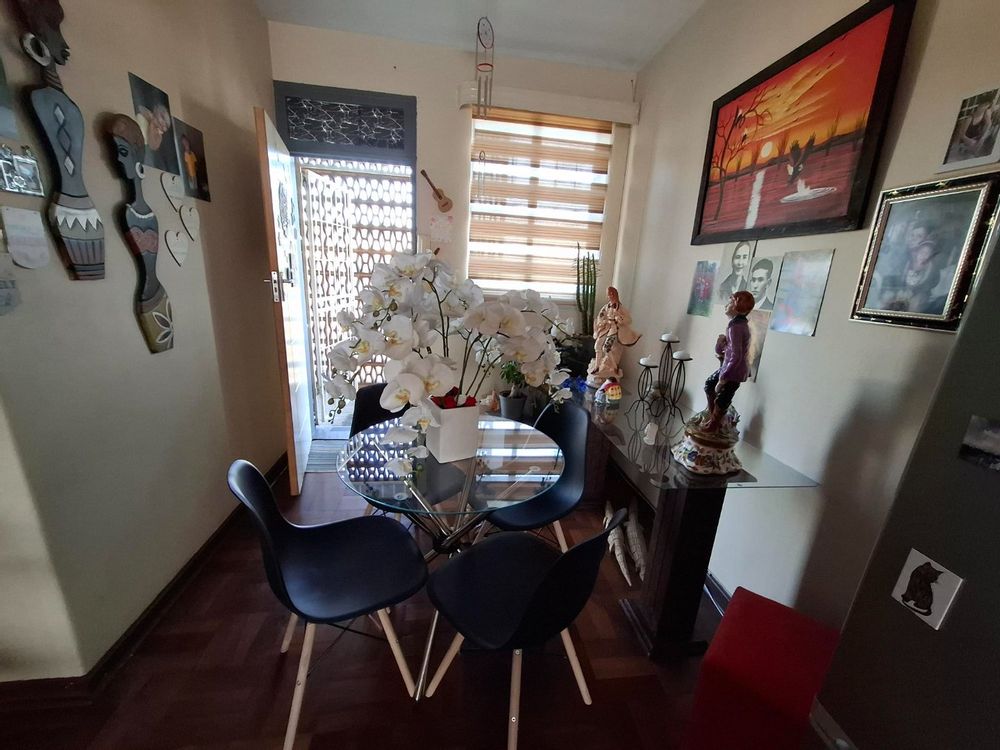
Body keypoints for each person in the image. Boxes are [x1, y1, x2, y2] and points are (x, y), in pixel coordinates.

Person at [703, 291, 754, 432]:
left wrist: (723, 377)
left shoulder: (736, 327)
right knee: (710, 385)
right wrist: (720, 343)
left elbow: (736, 356)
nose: (727, 305)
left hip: (734, 371)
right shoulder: (736, 324)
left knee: (723, 397)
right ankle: (713, 419)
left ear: (738, 307)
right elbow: (723, 351)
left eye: (731, 302)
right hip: (729, 367)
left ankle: (714, 424)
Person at [587, 286, 641, 386]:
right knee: (597, 346)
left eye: (612, 294)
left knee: (606, 348)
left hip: (614, 329)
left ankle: (614, 366)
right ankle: (597, 367)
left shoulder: (621, 308)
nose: (610, 296)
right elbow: (600, 317)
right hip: (606, 328)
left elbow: (629, 320)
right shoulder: (606, 307)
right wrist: (602, 323)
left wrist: (619, 319)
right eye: (609, 294)